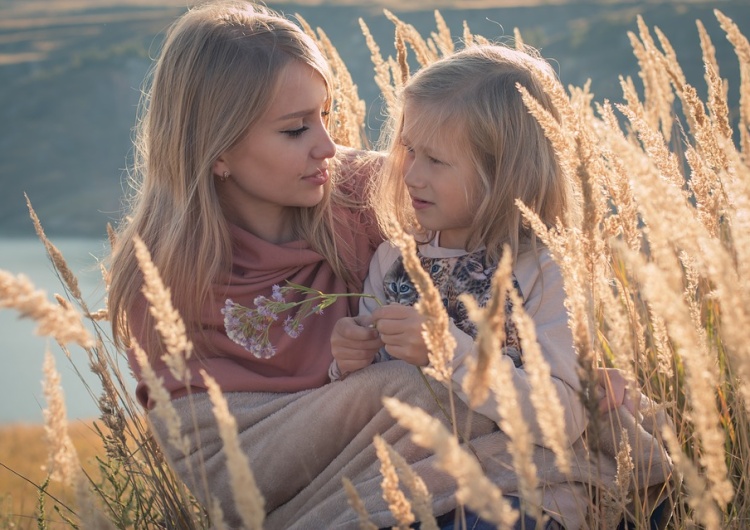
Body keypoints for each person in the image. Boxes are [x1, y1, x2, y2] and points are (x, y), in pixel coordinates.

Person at [107, 1, 671, 528]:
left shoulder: (368, 193)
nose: (329, 146)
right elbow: (213, 458)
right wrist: (359, 374)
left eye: (325, 116)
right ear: (217, 148)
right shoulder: (160, 275)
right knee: (410, 389)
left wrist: (568, 368)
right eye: (296, 129)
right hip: (291, 453)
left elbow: (509, 255)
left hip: (435, 435)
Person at [330, 45, 673, 529]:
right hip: (424, 479)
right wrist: (346, 361)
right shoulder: (394, 261)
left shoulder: (544, 272)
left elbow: (562, 419)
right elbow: (372, 401)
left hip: (523, 487)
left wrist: (447, 350)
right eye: (407, 149)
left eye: (435, 159)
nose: (410, 172)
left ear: (503, 172)